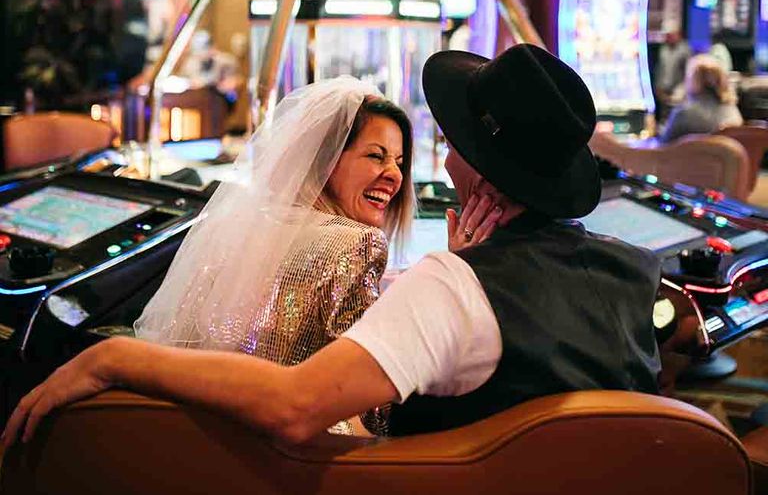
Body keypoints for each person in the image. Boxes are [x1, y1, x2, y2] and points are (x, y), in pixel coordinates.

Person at [3, 45, 661, 446]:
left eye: (453, 140)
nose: (413, 169)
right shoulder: (631, 268)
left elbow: (295, 408)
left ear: (475, 166)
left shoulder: (451, 287)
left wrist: (114, 361)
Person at [658, 54, 743, 144]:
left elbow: (663, 145)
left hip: (690, 157)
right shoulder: (733, 111)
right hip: (724, 158)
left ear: (692, 80)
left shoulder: (683, 114)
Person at [654, 28, 691, 116]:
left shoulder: (685, 50)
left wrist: (682, 91)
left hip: (678, 91)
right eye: (667, 35)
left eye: (671, 34)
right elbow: (659, 69)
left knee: (677, 115)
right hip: (663, 89)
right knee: (664, 117)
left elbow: (688, 73)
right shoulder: (663, 49)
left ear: (678, 34)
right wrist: (658, 87)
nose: (668, 37)